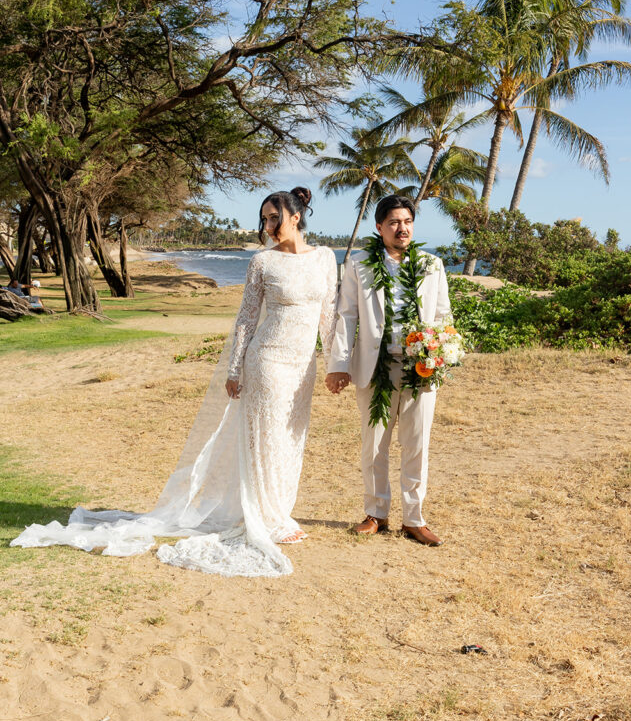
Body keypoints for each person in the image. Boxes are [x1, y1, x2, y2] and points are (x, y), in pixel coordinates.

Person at [12, 186, 338, 579]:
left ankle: (279, 509)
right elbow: (246, 321)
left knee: (291, 439)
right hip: (266, 362)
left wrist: (340, 362)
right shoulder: (262, 263)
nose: (268, 226)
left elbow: (330, 314)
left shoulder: (324, 259)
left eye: (274, 218)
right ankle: (269, 517)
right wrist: (235, 370)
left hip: (303, 367)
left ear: (296, 216)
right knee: (265, 440)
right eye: (264, 219)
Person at [325, 195, 451, 547]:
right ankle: (376, 514)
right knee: (374, 445)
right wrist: (338, 365)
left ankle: (414, 519)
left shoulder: (431, 265)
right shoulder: (358, 264)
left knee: (417, 445)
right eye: (394, 222)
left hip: (420, 370)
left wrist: (439, 353)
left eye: (408, 221)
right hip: (373, 368)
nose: (402, 228)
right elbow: (346, 316)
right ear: (379, 227)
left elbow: (442, 317)